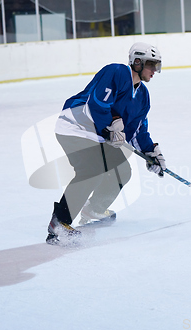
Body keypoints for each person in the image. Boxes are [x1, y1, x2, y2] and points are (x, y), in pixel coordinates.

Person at [46, 42, 167, 245]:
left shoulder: (143, 97)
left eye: (157, 65)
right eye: (151, 64)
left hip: (98, 135)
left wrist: (151, 152)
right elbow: (97, 104)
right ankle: (59, 224)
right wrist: (110, 124)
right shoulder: (117, 72)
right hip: (75, 126)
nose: (154, 70)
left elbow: (137, 131)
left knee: (122, 170)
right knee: (91, 169)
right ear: (137, 62)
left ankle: (94, 208)